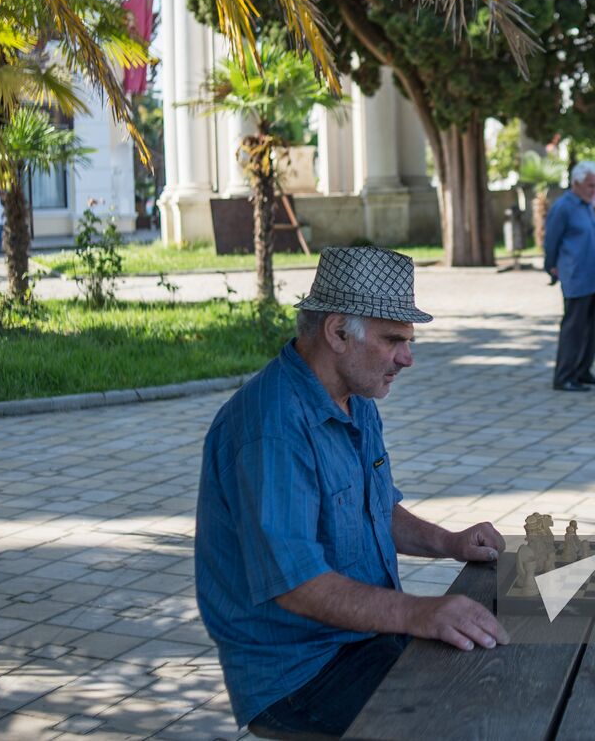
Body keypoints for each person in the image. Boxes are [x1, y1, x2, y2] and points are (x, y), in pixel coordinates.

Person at [195, 247, 509, 737]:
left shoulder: (353, 395)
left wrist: (447, 543)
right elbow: (297, 585)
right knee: (469, 720)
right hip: (297, 672)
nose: (407, 358)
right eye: (393, 340)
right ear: (338, 332)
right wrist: (418, 612)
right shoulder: (271, 427)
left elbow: (374, 508)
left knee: (501, 670)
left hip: (361, 637)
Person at [544, 161, 595, 391]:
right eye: (591, 186)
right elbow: (551, 240)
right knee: (574, 328)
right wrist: (550, 266)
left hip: (594, 276)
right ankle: (564, 376)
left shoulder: (587, 206)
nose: (594, 190)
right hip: (576, 275)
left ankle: (583, 371)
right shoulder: (563, 207)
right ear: (577, 183)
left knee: (592, 329)